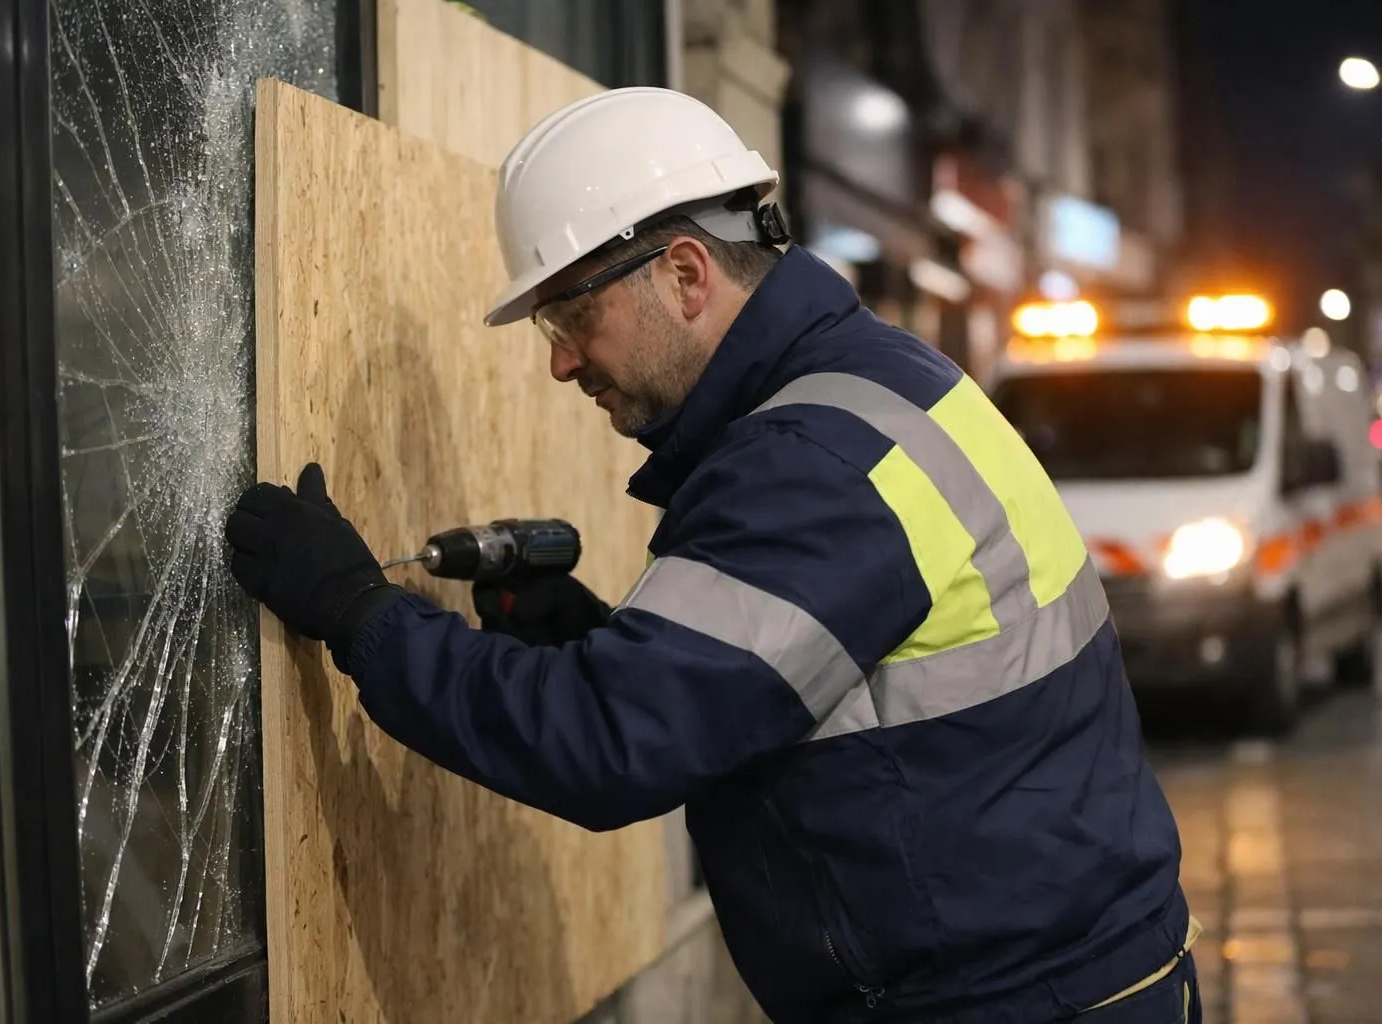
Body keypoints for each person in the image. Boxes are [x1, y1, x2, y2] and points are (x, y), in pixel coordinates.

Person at [226, 87, 1201, 1022]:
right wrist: (612, 644)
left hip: (1009, 1000)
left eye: (571, 318)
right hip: (1057, 975)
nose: (562, 362)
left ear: (687, 275)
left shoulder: (814, 457)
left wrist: (361, 611)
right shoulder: (870, 387)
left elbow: (614, 745)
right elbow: (825, 679)